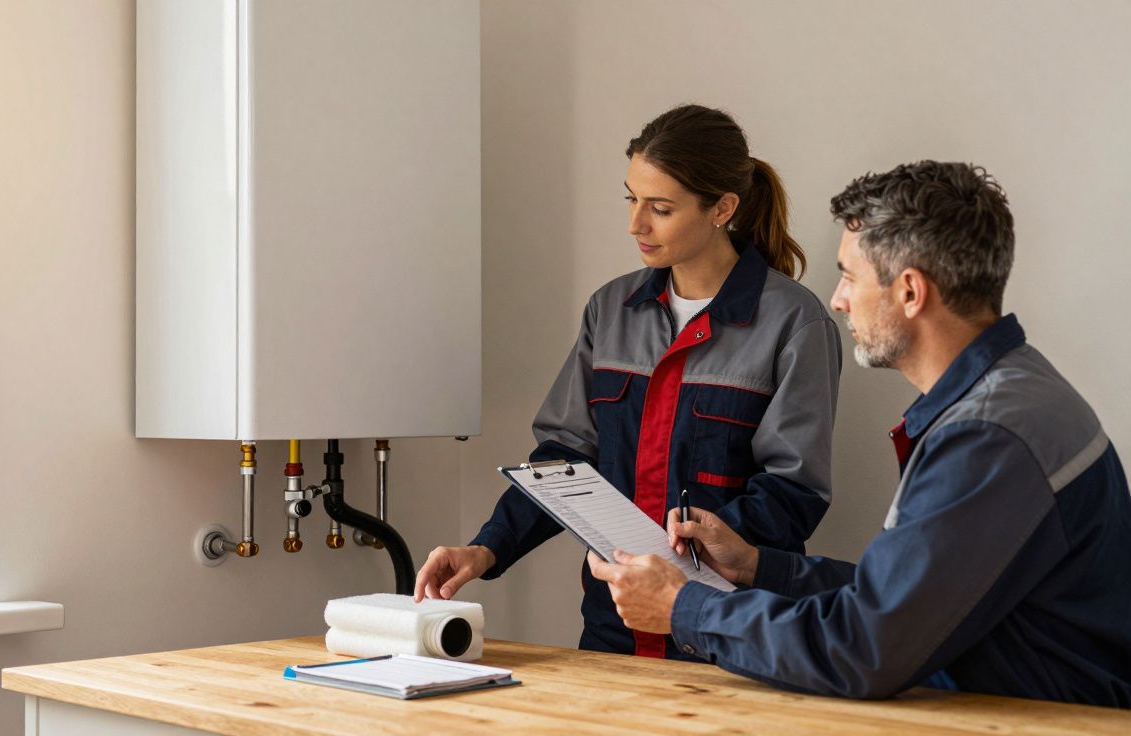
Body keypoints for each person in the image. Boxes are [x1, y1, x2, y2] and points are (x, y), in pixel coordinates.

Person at [587, 160, 1131, 706]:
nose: (838, 299)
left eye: (850, 276)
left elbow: (863, 649)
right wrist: (756, 564)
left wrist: (684, 607)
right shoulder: (1015, 390)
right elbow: (902, 600)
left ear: (911, 292)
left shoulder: (988, 438)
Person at [415, 104, 843, 660]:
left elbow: (793, 491)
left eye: (660, 208)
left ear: (723, 208)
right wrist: (485, 549)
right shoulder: (611, 310)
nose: (635, 224)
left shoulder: (794, 323)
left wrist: (676, 561)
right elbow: (564, 460)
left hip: (730, 630)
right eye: (631, 199)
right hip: (612, 628)